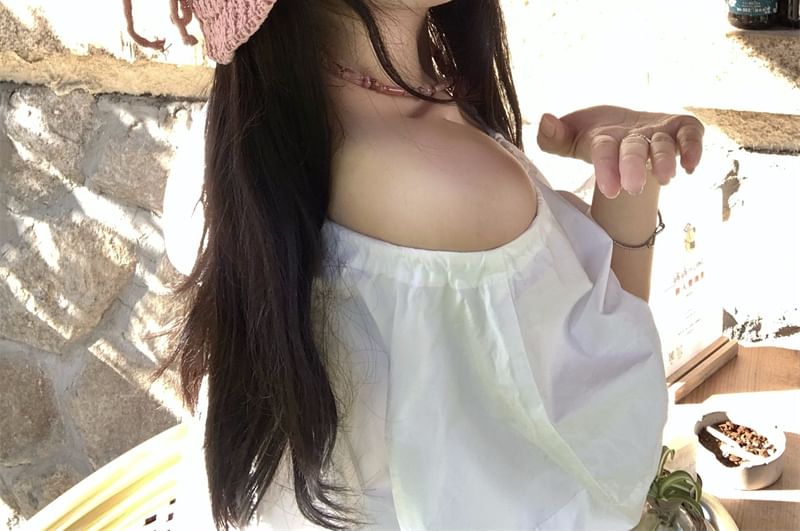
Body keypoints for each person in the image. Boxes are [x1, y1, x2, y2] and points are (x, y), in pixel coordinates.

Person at [128, 1, 706, 529]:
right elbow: (602, 452)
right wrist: (634, 190)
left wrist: (624, 167)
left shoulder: (242, 130)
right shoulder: (442, 184)